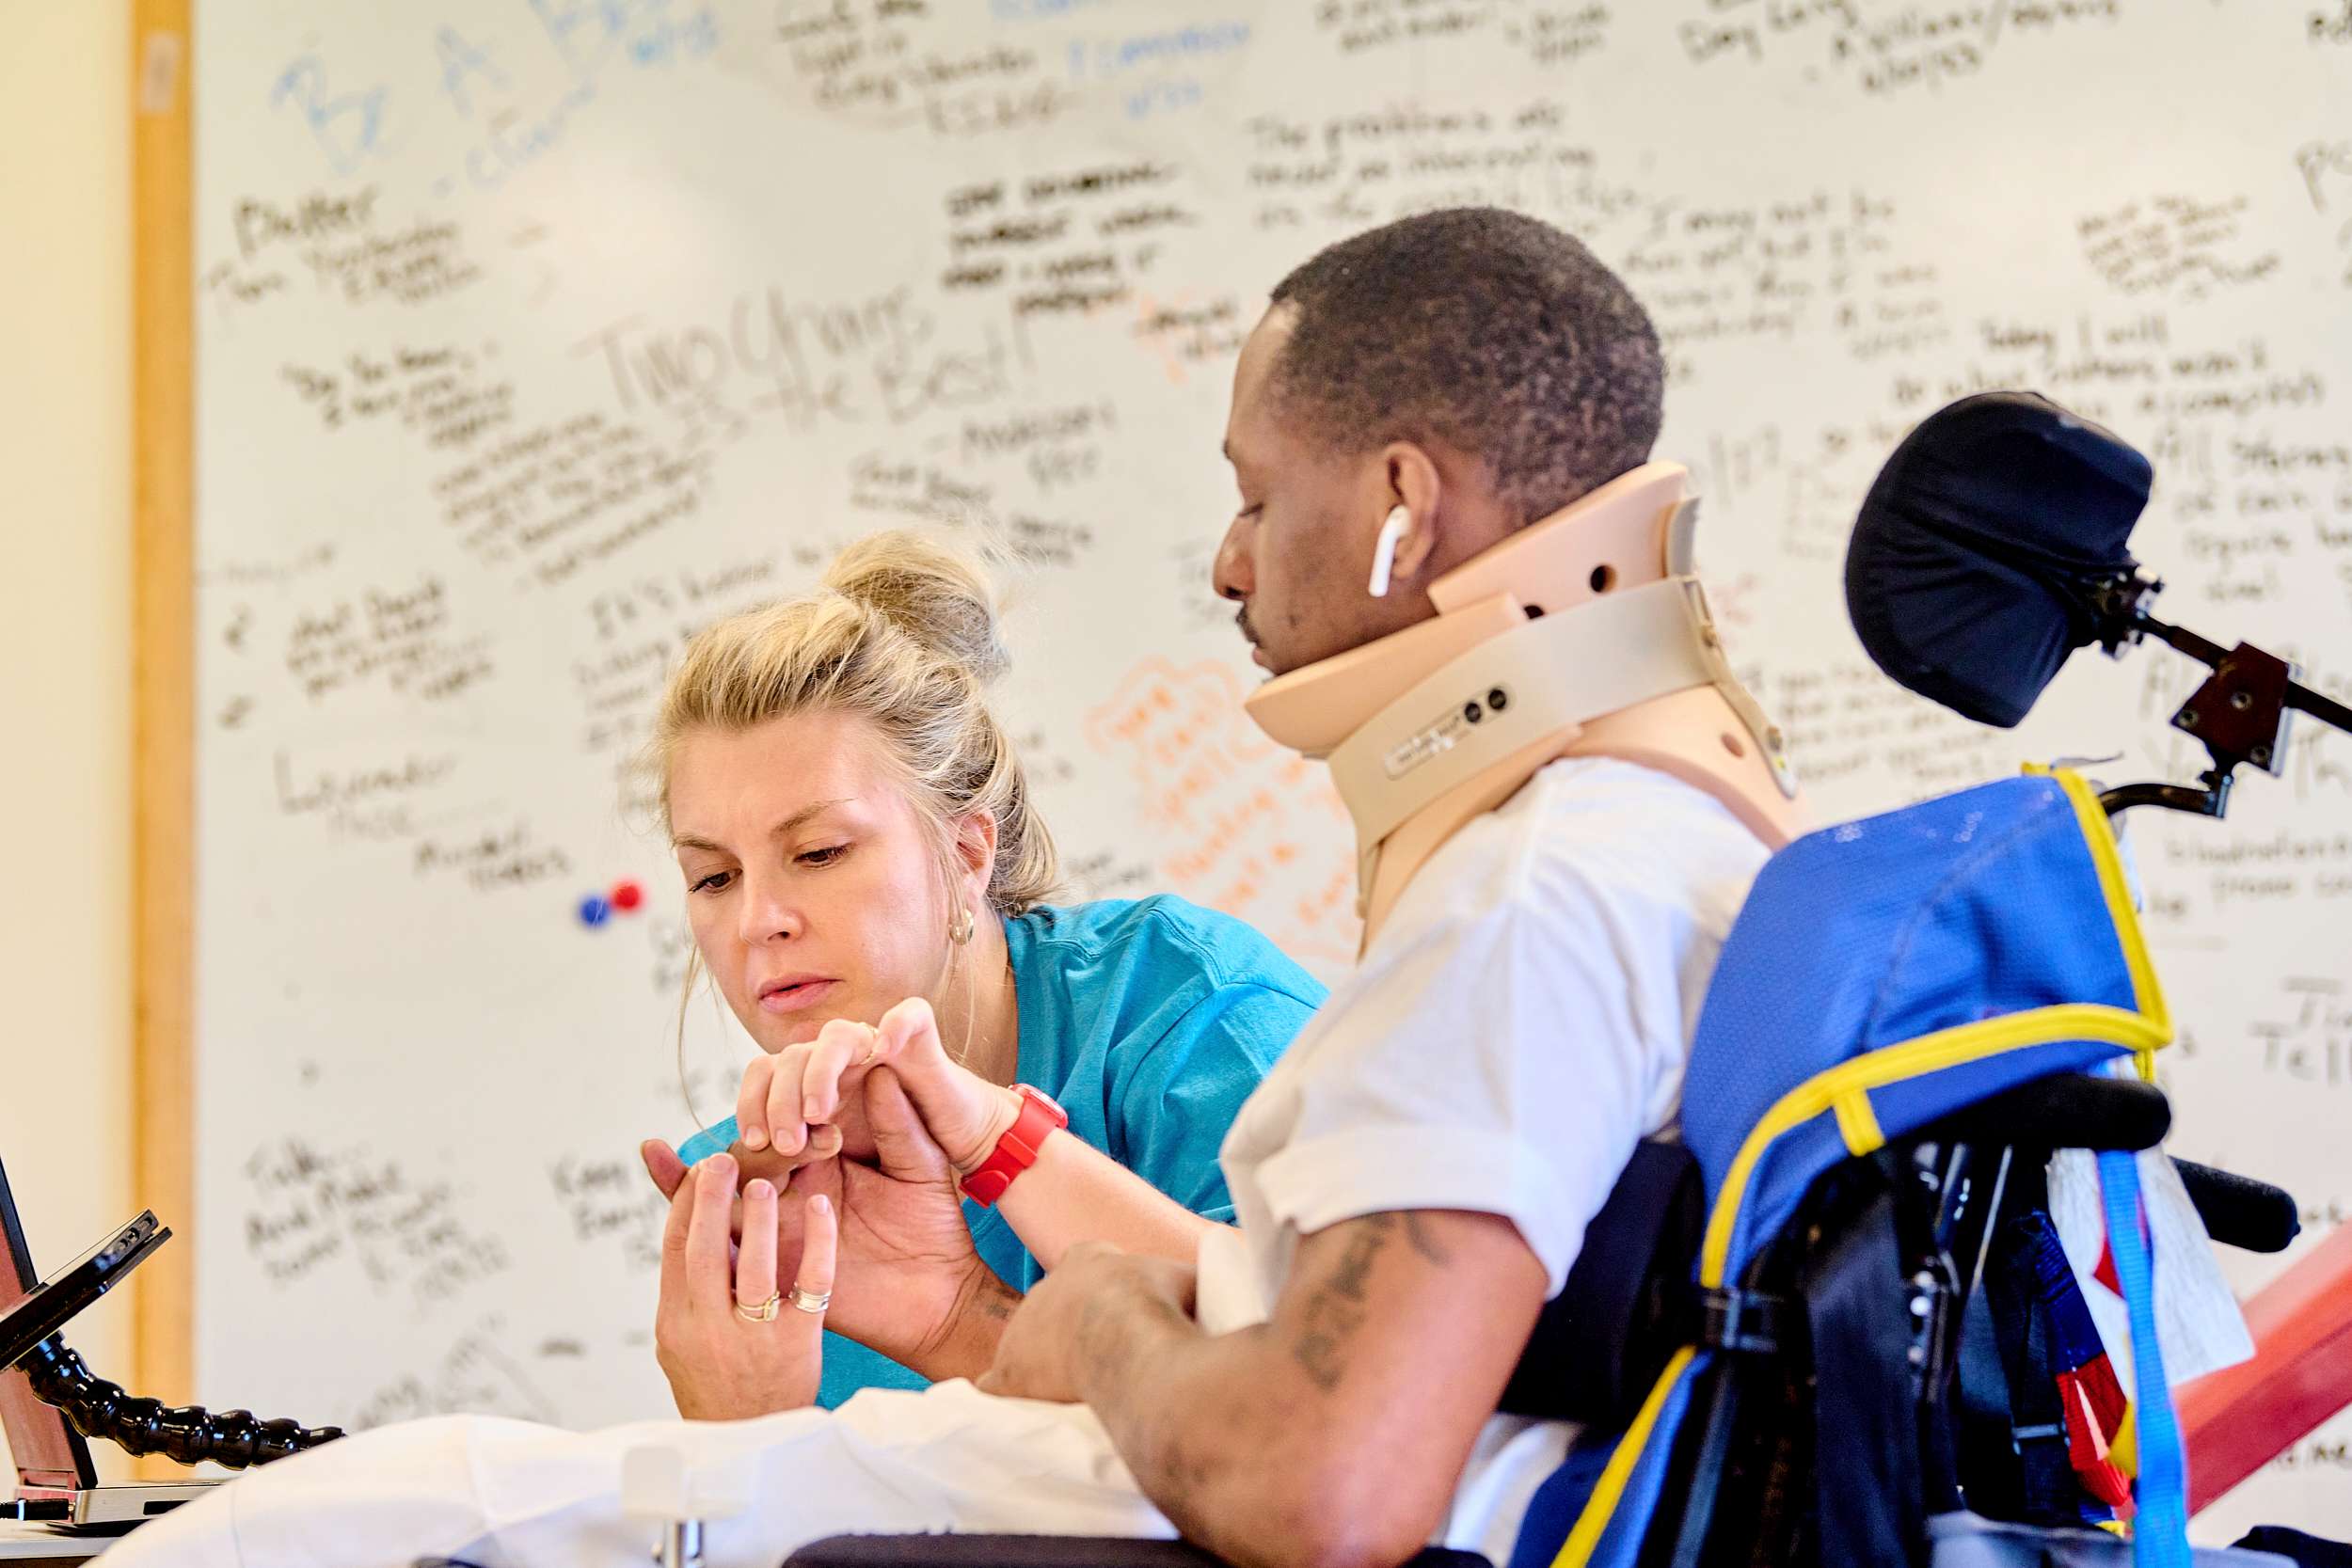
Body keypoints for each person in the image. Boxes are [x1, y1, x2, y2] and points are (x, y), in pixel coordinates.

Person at [106, 207, 1775, 1568]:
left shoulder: (1527, 898)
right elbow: (1310, 1338)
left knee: (400, 1512)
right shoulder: (1631, 847)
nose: (1227, 559)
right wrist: (982, 1302)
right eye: (708, 871)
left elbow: (1315, 1479)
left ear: (1404, 511)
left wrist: (1098, 1311)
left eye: (1260, 495)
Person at [636, 530, 1324, 1416]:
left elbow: (1322, 1416)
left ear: (965, 853)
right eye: (714, 878)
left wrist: (993, 1173)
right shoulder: (753, 1207)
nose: (758, 920)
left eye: (818, 850)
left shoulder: (1189, 1006)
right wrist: (736, 1434)